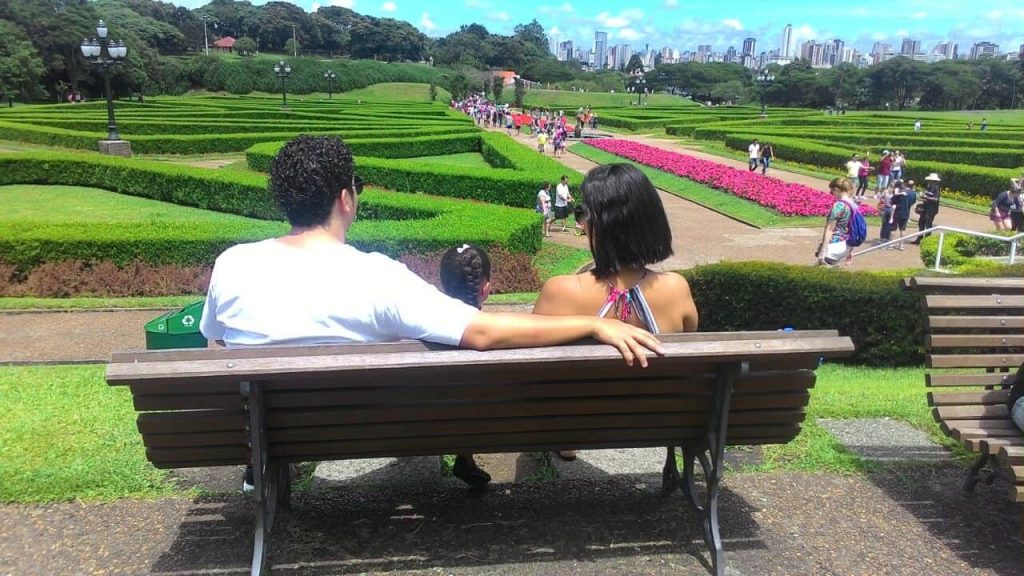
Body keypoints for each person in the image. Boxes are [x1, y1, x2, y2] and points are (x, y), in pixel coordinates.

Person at [199, 137, 663, 489]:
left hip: (268, 431)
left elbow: (214, 344)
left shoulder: (233, 263)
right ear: (346, 198)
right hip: (364, 430)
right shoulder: (378, 275)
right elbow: (480, 331)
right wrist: (593, 323)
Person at [532, 164, 700, 460]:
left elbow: (530, 371)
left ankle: (568, 441)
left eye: (585, 215)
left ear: (600, 225)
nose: (582, 223)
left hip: (573, 420)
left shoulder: (560, 291)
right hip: (655, 422)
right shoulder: (677, 288)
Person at [438, 244, 495, 487]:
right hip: (498, 424)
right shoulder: (503, 333)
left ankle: (465, 457)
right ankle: (466, 458)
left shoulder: (425, 333)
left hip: (424, 426)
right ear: (486, 288)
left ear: (442, 286)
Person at [817, 178, 857, 266]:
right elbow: (852, 227)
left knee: (821, 274)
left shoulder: (839, 205)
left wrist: (823, 251)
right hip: (846, 244)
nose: (831, 194)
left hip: (834, 245)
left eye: (832, 191)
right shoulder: (853, 204)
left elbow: (830, 229)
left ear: (837, 189)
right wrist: (850, 251)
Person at [911, 173, 941, 243]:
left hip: (932, 209)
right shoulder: (929, 187)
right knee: (921, 222)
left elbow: (936, 199)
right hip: (926, 207)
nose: (928, 181)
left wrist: (926, 197)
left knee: (928, 224)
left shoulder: (936, 188)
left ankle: (927, 240)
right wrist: (923, 198)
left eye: (930, 180)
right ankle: (919, 238)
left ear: (933, 181)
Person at [890, 180, 917, 250]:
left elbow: (892, 201)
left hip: (898, 211)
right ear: (913, 186)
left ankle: (891, 244)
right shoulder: (914, 194)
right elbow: (913, 202)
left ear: (905, 184)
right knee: (903, 229)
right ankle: (901, 245)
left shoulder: (901, 192)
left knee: (893, 228)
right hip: (906, 212)